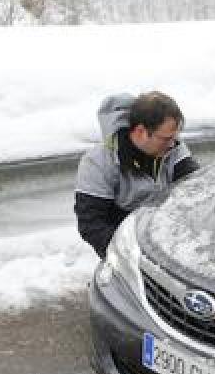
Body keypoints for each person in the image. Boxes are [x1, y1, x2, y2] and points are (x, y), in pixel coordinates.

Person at [74, 91, 198, 257]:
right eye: (166, 138)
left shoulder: (172, 145)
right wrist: (133, 254)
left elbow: (197, 190)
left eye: (175, 137)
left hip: (170, 240)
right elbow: (91, 225)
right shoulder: (97, 164)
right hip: (124, 249)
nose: (173, 144)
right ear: (141, 132)